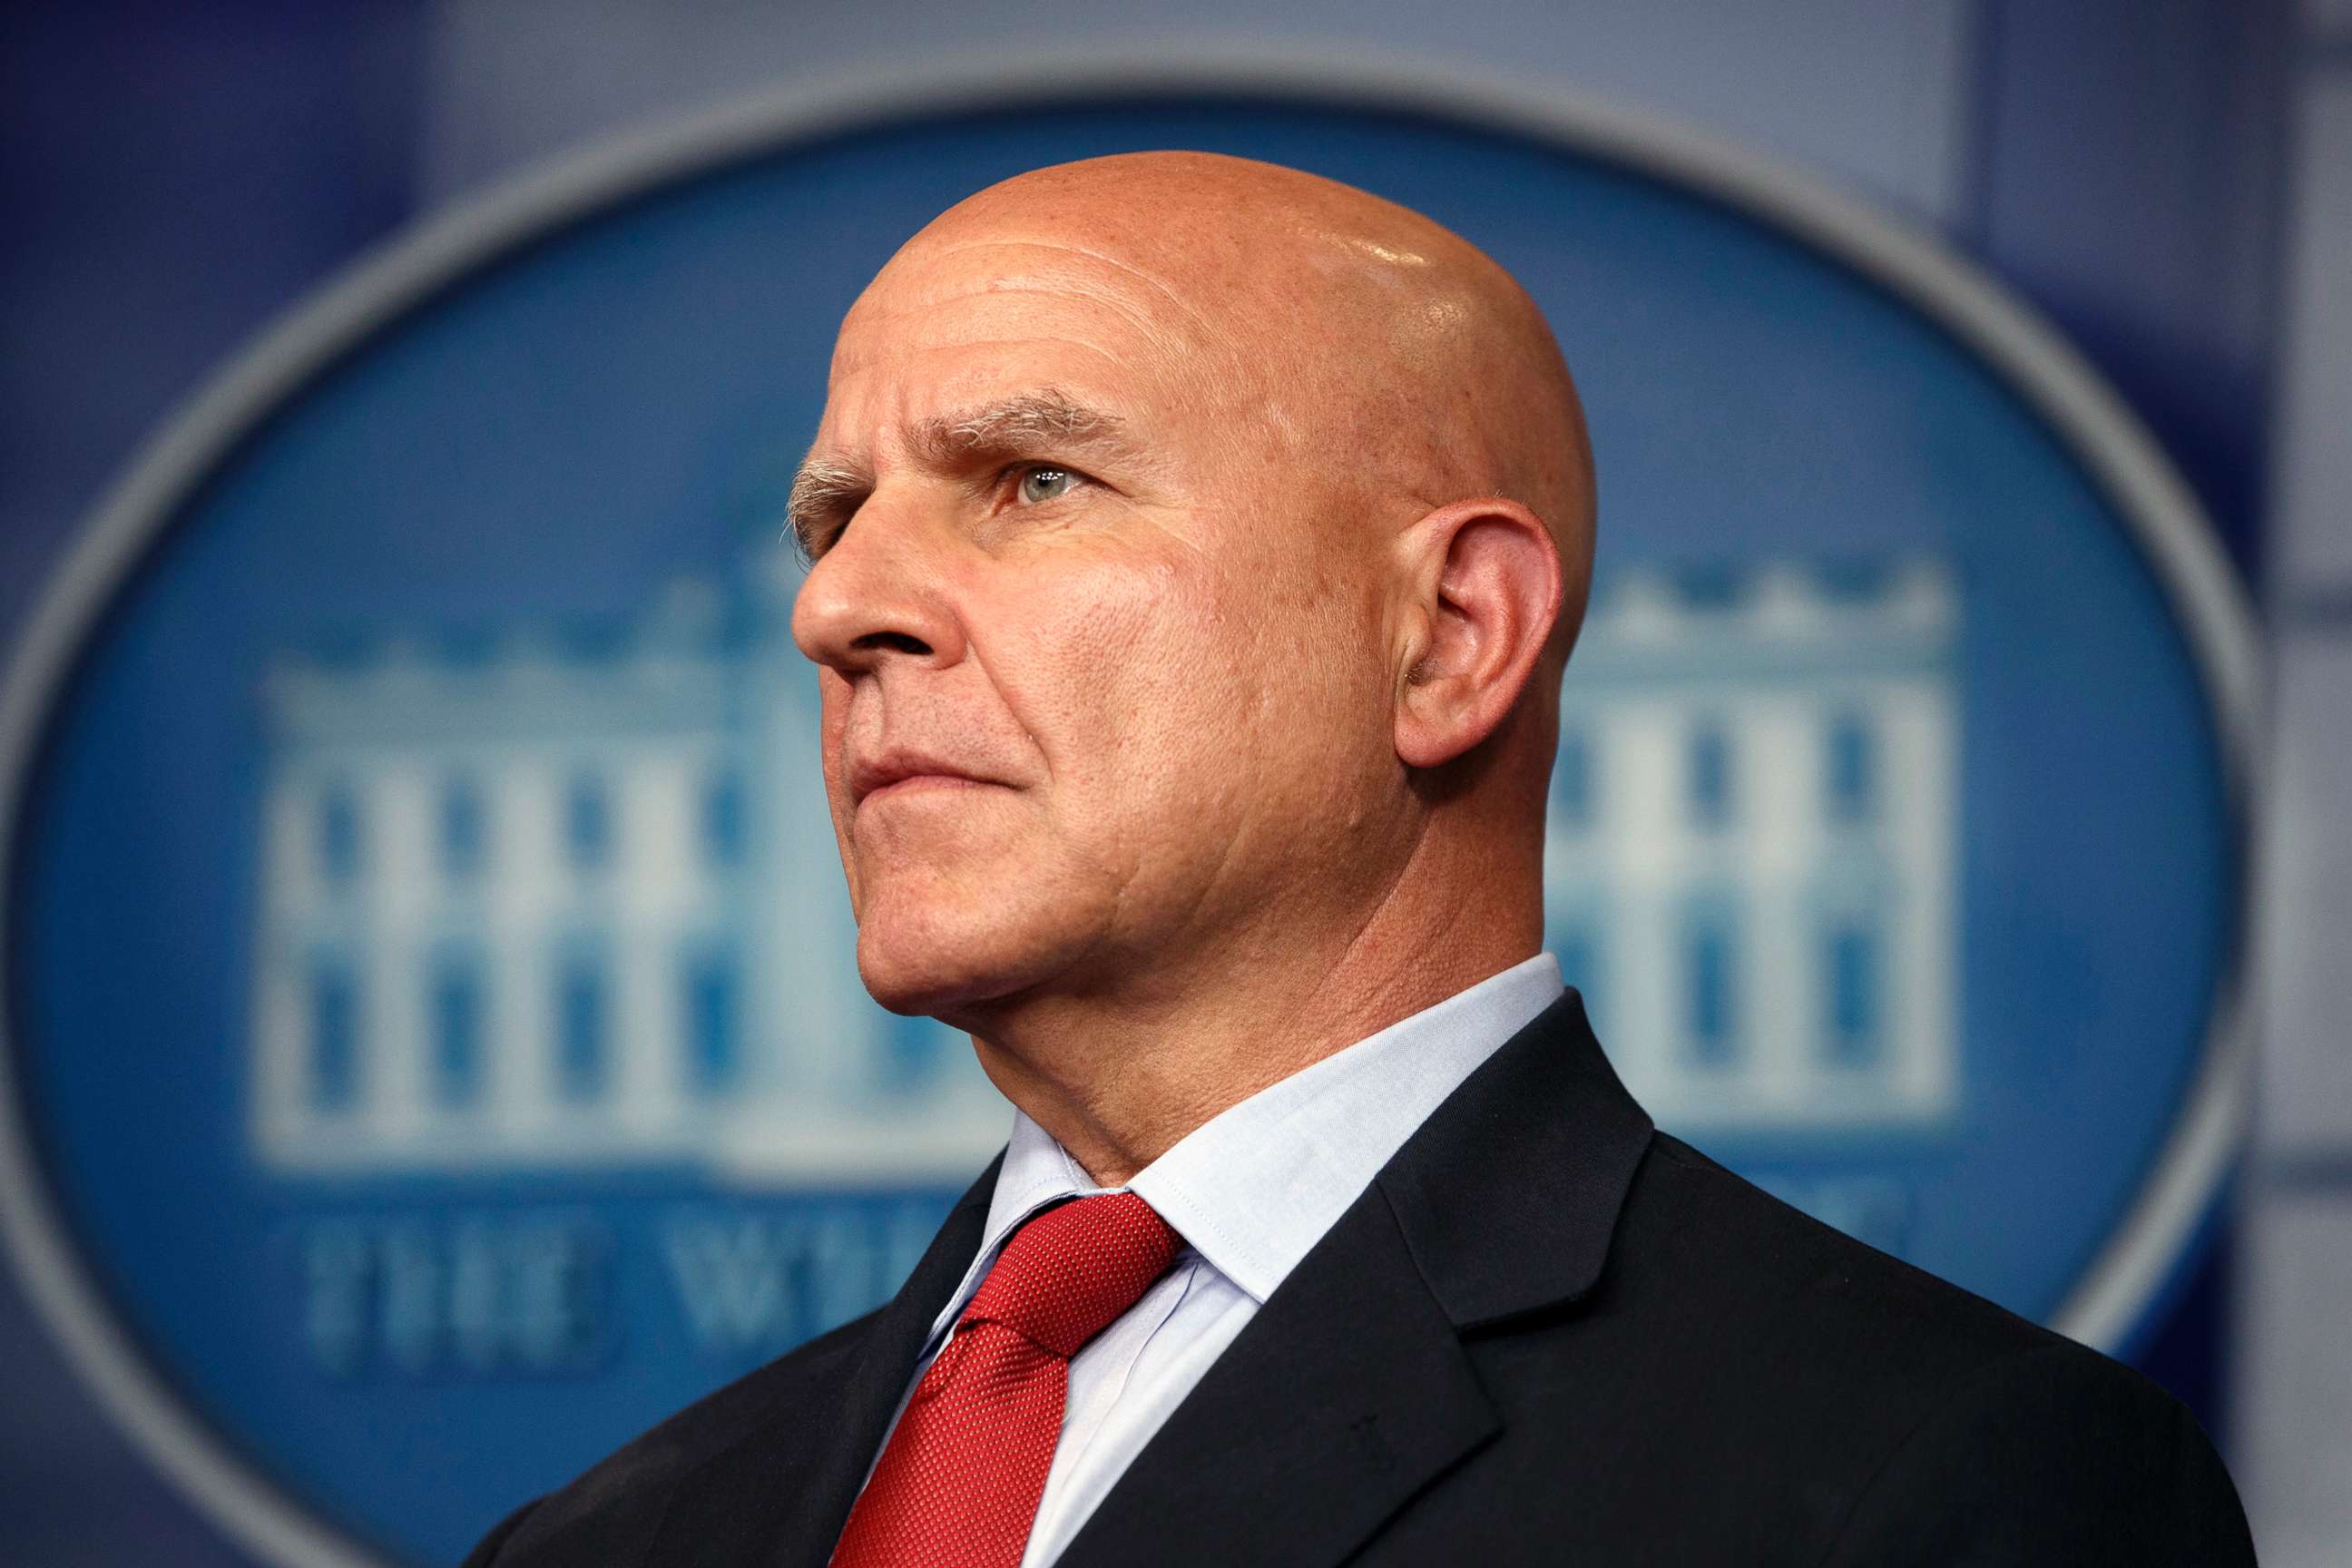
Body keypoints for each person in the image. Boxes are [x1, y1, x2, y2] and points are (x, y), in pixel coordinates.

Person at [464, 152, 2254, 1568]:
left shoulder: (1943, 1486)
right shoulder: (610, 1537)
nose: (835, 606)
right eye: (834, 517)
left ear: (1451, 636)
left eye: (1030, 480)